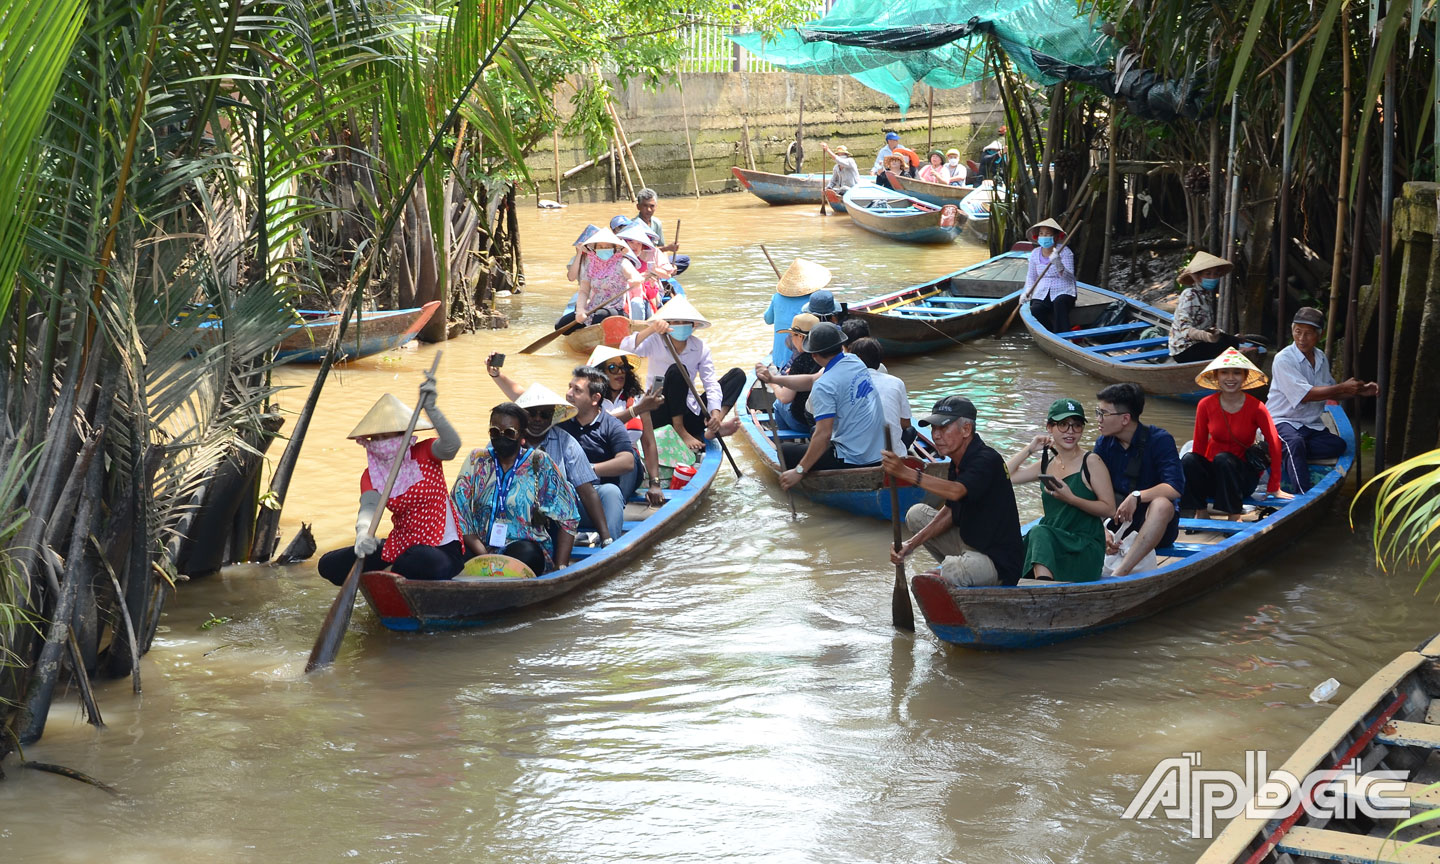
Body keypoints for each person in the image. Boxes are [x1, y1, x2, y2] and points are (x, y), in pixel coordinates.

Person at [318, 380, 465, 586]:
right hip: (399, 547)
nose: (381, 443)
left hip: (441, 548)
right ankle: (391, 573)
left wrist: (431, 408)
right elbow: (369, 508)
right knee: (328, 564)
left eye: (387, 436)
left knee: (420, 558)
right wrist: (362, 534)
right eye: (376, 438)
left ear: (403, 434)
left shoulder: (425, 451)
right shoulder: (371, 474)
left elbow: (452, 446)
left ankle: (389, 575)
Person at [882, 396, 1025, 587]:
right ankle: (958, 570)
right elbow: (950, 510)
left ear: (966, 430)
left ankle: (957, 572)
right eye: (934, 428)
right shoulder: (956, 461)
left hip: (996, 561)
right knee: (916, 514)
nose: (936, 435)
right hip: (969, 543)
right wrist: (911, 545)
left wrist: (906, 473)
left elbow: (957, 492)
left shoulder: (987, 459)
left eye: (943, 428)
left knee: (951, 569)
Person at [487, 367, 628, 545]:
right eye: (531, 414)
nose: (537, 419)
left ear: (552, 417)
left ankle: (609, 547)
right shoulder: (505, 438)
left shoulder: (566, 442)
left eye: (544, 414)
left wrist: (605, 536)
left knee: (610, 492)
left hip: (561, 513)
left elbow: (586, 491)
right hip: (512, 512)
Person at [451, 402, 580, 572]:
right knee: (449, 556)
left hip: (522, 547)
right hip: (479, 547)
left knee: (527, 555)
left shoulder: (540, 462)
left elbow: (568, 515)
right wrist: (483, 555)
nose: (501, 437)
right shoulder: (477, 459)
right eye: (495, 432)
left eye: (509, 433)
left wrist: (560, 566)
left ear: (522, 435)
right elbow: (458, 510)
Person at [1266, 306, 1377, 493]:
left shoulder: (1321, 357)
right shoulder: (1283, 359)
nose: (1301, 338)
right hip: (1282, 420)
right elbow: (1306, 395)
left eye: (1308, 333)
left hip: (1309, 425)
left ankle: (1282, 450)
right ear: (1292, 330)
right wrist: (1343, 387)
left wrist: (1359, 391)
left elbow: (1330, 392)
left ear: (1320, 334)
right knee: (1294, 443)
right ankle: (1303, 495)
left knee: (1338, 445)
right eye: (1297, 331)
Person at [1006, 398, 1116, 582]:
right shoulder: (1046, 463)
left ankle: (1044, 589)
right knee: (1013, 546)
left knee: (1039, 532)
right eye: (1063, 425)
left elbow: (1109, 509)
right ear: (1050, 427)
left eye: (1077, 425)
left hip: (1083, 546)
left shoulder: (1092, 462)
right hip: (1053, 542)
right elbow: (1006, 476)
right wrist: (1030, 448)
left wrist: (1071, 498)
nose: (1070, 432)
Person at [621, 295, 745, 453]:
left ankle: (714, 427)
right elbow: (624, 349)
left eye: (684, 322)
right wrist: (652, 328)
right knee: (677, 370)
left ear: (693, 326)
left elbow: (710, 383)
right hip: (659, 410)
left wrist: (715, 412)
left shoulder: (700, 347)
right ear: (667, 324)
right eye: (676, 322)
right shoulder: (655, 340)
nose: (680, 326)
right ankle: (679, 430)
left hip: (688, 411)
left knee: (737, 375)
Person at [1181, 348, 1292, 519]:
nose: (1230, 378)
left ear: (1245, 376)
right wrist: (1196, 479)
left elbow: (1275, 443)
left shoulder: (1257, 407)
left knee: (1224, 459)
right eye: (1224, 372)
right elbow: (1199, 447)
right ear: (1217, 377)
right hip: (1215, 476)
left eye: (1236, 373)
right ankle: (1200, 511)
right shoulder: (1205, 405)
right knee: (1189, 459)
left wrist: (1274, 485)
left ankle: (1234, 514)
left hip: (1242, 478)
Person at [1092, 382, 1184, 577]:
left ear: (1125, 418)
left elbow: (1174, 487)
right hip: (1117, 521)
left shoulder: (1160, 440)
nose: (1098, 419)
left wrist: (1137, 496)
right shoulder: (1103, 444)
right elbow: (1093, 489)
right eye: (1097, 412)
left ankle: (1121, 573)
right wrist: (1101, 530)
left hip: (1154, 526)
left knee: (1162, 504)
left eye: (1103, 413)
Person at [777, 322, 885, 485]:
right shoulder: (854, 360)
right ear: (841, 346)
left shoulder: (824, 385)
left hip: (854, 459)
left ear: (814, 355)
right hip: (878, 452)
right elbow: (810, 380)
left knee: (784, 451)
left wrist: (799, 470)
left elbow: (824, 435)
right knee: (815, 431)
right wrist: (773, 379)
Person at [560, 366, 641, 534]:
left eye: (577, 390)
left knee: (611, 490)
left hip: (599, 499)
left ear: (595, 398)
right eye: (569, 387)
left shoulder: (611, 425)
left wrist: (588, 470)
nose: (569, 394)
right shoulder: (560, 421)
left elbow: (627, 461)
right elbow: (526, 398)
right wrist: (497, 375)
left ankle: (610, 548)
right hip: (566, 499)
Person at [588, 345, 667, 507]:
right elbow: (601, 423)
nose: (620, 372)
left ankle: (616, 506)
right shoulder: (589, 400)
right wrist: (635, 411)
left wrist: (655, 484)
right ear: (599, 373)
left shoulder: (638, 400)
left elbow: (648, 442)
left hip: (629, 466)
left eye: (623, 367)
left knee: (628, 453)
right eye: (612, 368)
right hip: (595, 463)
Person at [556, 226, 642, 330]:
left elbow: (635, 276)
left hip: (615, 309)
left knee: (599, 316)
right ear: (595, 249)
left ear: (615, 248)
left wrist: (635, 280)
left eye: (607, 247)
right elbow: (584, 291)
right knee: (560, 325)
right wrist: (580, 310)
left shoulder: (622, 262)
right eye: (600, 247)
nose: (603, 249)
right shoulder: (591, 265)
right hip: (592, 308)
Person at [1169, 251, 1242, 363]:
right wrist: (1208, 337)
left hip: (1199, 344)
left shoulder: (1205, 296)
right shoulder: (1190, 295)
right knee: (1229, 344)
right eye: (1208, 274)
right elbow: (1185, 329)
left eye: (1216, 274)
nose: (1213, 277)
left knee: (1231, 340)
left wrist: (1228, 336)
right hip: (1184, 350)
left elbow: (1207, 326)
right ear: (1197, 277)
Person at [757, 312, 821, 434]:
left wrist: (773, 383)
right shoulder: (825, 356)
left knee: (778, 404)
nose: (791, 339)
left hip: (803, 422)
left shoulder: (800, 361)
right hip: (825, 420)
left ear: (800, 337)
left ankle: (787, 441)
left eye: (792, 335)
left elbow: (785, 398)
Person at [764, 257, 831, 368]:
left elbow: (768, 319)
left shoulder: (777, 297)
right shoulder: (814, 299)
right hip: (802, 358)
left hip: (779, 357)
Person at [848, 337, 910, 452]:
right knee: (910, 432)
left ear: (858, 360)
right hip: (893, 453)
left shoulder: (843, 383)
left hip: (856, 456)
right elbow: (906, 423)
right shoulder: (896, 382)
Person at [1021, 218, 1077, 334]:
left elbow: (1070, 277)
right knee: (1035, 310)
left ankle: (1063, 335)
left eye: (1047, 234)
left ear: (1056, 236)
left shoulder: (1065, 251)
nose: (1044, 236)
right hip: (1042, 291)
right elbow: (1031, 276)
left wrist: (1058, 264)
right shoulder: (1035, 253)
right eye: (1041, 234)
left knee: (1059, 303)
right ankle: (1050, 333)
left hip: (1064, 290)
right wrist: (1026, 292)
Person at [634, 188, 689, 275]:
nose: (648, 209)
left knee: (685, 260)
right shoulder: (634, 225)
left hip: (657, 259)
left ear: (656, 206)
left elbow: (661, 246)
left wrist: (666, 265)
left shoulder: (657, 223)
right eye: (645, 206)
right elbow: (641, 252)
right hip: (641, 261)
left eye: (652, 206)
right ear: (638, 207)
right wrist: (667, 248)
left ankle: (664, 272)